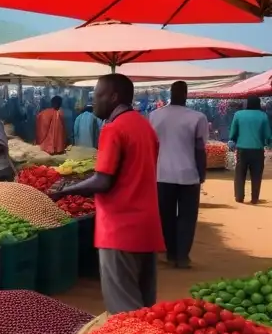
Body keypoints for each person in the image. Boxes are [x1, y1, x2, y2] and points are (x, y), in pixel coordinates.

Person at [53, 74, 164, 313]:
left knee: (123, 310)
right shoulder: (144, 125)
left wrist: (63, 192)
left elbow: (103, 181)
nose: (94, 100)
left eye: (98, 94)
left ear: (113, 97)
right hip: (146, 226)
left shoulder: (113, 129)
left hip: (119, 229)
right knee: (145, 307)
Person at [149, 82, 207, 269]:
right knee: (187, 217)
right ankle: (182, 256)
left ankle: (171, 253)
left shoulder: (154, 116)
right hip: (188, 174)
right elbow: (200, 149)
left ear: (170, 93)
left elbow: (151, 146)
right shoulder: (197, 117)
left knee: (165, 215)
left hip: (162, 174)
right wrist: (202, 172)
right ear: (186, 94)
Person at [229, 95, 272, 204]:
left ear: (247, 104)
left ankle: (239, 197)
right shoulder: (263, 116)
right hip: (257, 150)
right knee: (256, 175)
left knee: (240, 173)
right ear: (258, 104)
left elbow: (233, 132)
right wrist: (268, 144)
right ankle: (254, 198)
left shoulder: (238, 114)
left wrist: (233, 140)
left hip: (242, 149)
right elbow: (267, 135)